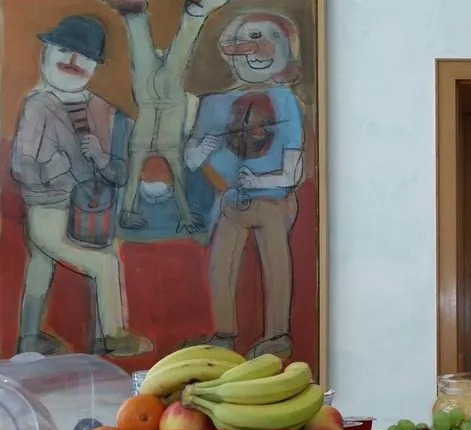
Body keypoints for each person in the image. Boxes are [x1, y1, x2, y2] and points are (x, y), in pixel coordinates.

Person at [11, 15, 150, 356]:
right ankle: (113, 336)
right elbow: (22, 166)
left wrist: (101, 159)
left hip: (91, 212)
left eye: (85, 56)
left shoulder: (104, 110)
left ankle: (30, 338)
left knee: (42, 266)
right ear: (45, 53)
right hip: (47, 208)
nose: (73, 60)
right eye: (63, 50)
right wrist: (63, 168)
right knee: (103, 263)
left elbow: (120, 173)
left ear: (94, 67)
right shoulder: (37, 105)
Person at [184, 11, 305, 359]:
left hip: (274, 198)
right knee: (220, 264)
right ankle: (224, 333)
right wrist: (202, 148)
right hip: (232, 199)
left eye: (271, 38)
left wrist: (264, 180)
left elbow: (293, 171)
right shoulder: (213, 103)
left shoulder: (285, 101)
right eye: (250, 37)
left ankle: (277, 335)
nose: (259, 47)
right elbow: (191, 160)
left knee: (274, 257)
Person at [108, 0, 230, 233]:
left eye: (149, 179)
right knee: (170, 60)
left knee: (148, 59)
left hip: (148, 96)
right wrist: (185, 216)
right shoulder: (171, 153)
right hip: (168, 94)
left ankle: (139, 15)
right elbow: (179, 185)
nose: (155, 174)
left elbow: (132, 185)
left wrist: (127, 213)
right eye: (161, 179)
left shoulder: (139, 150)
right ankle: (193, 14)